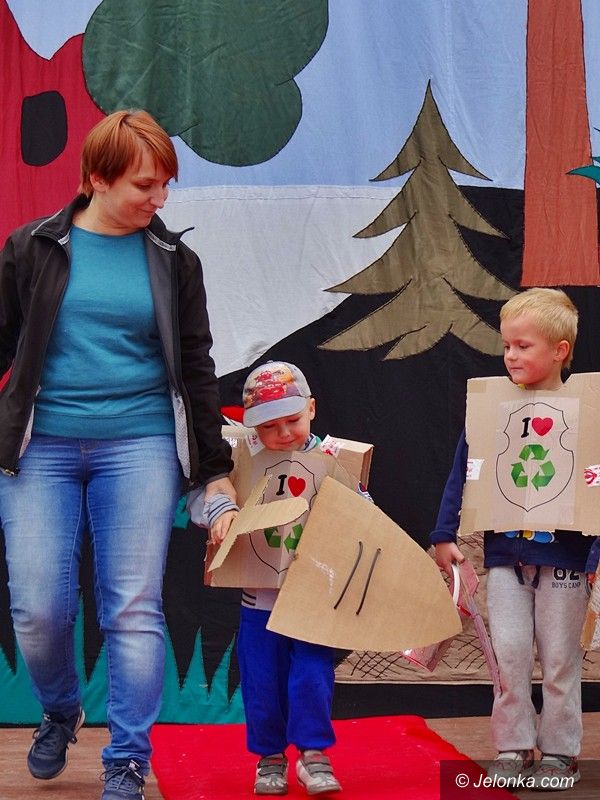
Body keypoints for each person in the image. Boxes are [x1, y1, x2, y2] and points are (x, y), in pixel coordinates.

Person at [0, 109, 236, 800]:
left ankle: (127, 758)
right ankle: (60, 710)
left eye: (165, 184)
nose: (159, 198)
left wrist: (214, 471)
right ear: (96, 179)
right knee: (37, 609)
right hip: (40, 445)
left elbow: (197, 366)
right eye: (143, 184)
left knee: (132, 606)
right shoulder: (31, 248)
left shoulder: (174, 262)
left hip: (140, 444)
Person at [430, 288, 592, 790]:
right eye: (506, 346)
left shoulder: (587, 411)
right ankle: (513, 745)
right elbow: (464, 470)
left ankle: (560, 751)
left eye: (523, 346)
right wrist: (444, 532)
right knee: (509, 654)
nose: (511, 356)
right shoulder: (492, 409)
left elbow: (596, 479)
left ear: (560, 350)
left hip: (565, 560)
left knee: (561, 658)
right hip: (505, 558)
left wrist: (597, 551)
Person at [202, 361, 344, 796]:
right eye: (269, 426)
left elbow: (362, 513)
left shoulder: (334, 458)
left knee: (312, 675)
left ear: (312, 409)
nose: (283, 433)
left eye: (293, 420)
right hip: (258, 599)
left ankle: (313, 754)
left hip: (312, 597)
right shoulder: (241, 459)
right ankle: (270, 757)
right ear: (251, 427)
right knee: (262, 680)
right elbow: (209, 495)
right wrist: (220, 513)